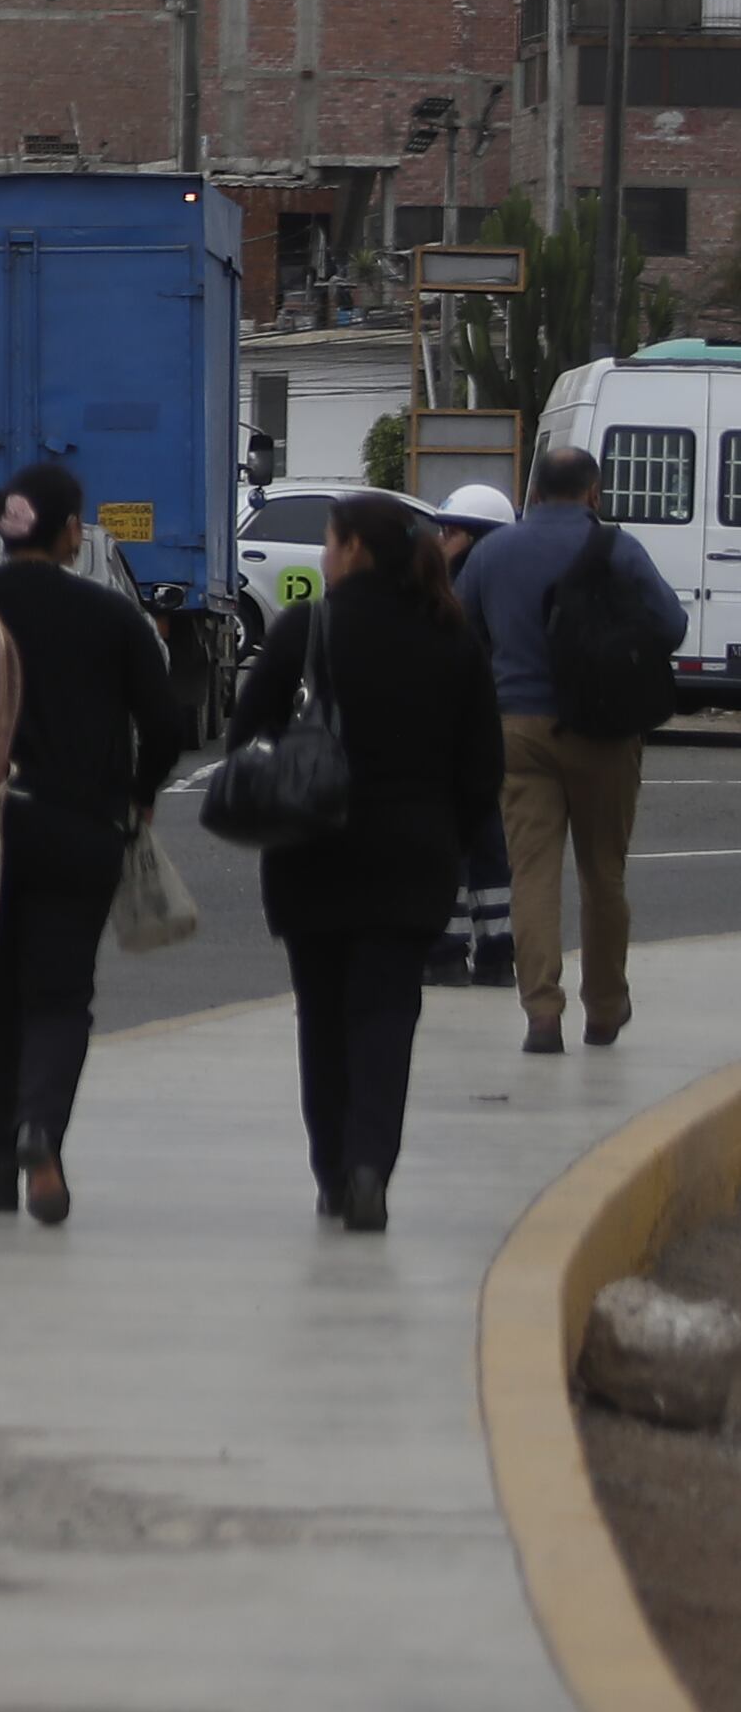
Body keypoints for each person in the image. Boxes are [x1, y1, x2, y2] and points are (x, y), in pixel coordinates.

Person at [0, 462, 188, 1224]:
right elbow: (168, 724)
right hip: (78, 828)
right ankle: (40, 1125)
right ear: (72, 531)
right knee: (59, 995)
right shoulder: (110, 618)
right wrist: (138, 795)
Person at [237, 491, 503, 1229]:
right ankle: (369, 1167)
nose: (324, 554)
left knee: (321, 1018)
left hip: (310, 853)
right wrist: (448, 834)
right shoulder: (452, 636)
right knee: (387, 1014)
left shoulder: (306, 628)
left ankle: (331, 1172)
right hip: (413, 858)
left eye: (328, 541)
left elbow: (243, 731)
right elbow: (483, 767)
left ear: (352, 549)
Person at [451, 446, 685, 1053]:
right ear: (593, 493)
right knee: (603, 873)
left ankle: (541, 1013)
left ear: (531, 494)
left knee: (532, 872)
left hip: (520, 729)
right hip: (604, 730)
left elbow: (462, 633)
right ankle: (604, 1007)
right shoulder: (618, 548)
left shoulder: (493, 553)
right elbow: (671, 625)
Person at [428, 483, 519, 990]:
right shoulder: (512, 582)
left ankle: (445, 952)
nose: (442, 541)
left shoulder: (459, 589)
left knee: (452, 844)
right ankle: (497, 954)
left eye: (451, 531)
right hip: (499, 731)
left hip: (460, 734)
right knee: (490, 847)